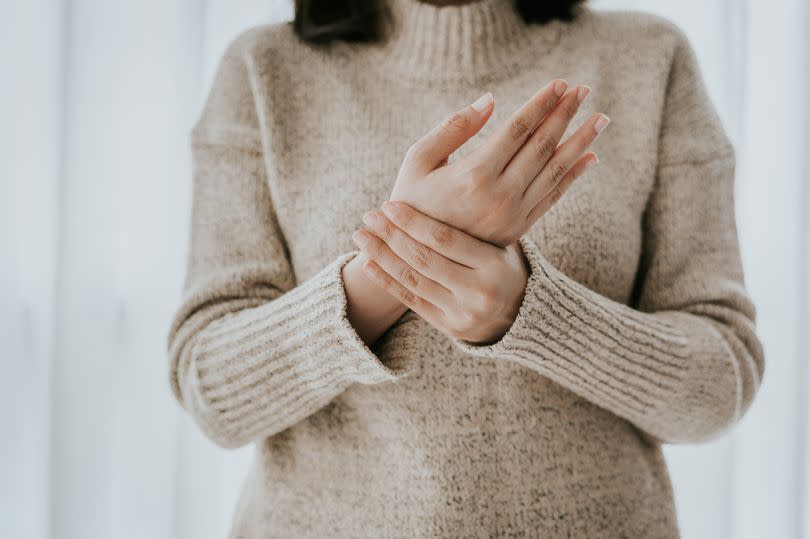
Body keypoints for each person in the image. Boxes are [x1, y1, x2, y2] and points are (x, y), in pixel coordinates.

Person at [165, 0, 765, 536]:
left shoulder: (649, 57)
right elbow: (213, 393)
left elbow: (719, 387)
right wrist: (393, 271)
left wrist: (526, 311)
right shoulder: (264, 68)